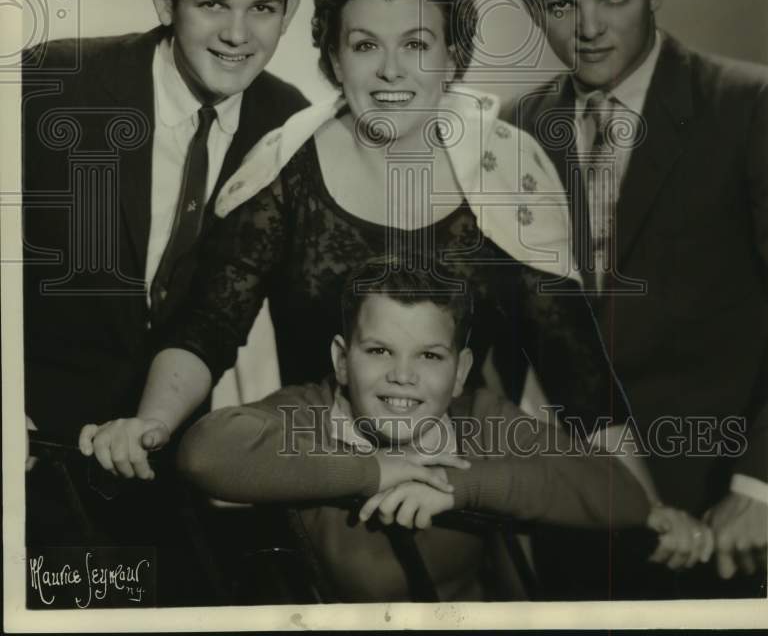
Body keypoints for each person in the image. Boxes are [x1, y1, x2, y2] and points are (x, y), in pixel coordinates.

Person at [82, 0, 707, 585]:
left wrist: (648, 508)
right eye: (363, 46)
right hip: (320, 487)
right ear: (331, 56)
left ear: (451, 56)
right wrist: (150, 424)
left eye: (414, 45)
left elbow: (577, 372)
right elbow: (208, 326)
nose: (389, 72)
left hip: (464, 486)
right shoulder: (280, 170)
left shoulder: (507, 170)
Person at [23, 0, 308, 602]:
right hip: (26, 454)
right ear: (165, 0)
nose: (237, 34)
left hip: (168, 461)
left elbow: (229, 306)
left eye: (262, 9)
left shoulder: (288, 122)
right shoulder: (53, 83)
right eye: (212, 4)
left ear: (290, 12)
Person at [504, 0, 768, 597]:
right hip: (568, 516)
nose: (587, 27)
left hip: (724, 522)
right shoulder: (511, 132)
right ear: (533, 7)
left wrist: (764, 484)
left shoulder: (751, 108)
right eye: (561, 4)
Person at [177, 257, 660, 602]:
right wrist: (376, 469)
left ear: (460, 370)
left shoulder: (478, 420)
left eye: (429, 356)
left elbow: (624, 495)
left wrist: (460, 487)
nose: (403, 375)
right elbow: (203, 455)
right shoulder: (313, 413)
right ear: (342, 362)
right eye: (379, 351)